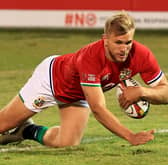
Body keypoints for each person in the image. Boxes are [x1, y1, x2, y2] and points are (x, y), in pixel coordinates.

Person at [0, 11, 168, 148]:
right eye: (118, 42)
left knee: (67, 143)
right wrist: (130, 136)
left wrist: (143, 91)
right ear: (105, 40)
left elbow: (165, 90)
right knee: (2, 126)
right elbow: (98, 109)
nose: (124, 49)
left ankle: (26, 130)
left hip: (80, 94)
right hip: (50, 81)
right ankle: (12, 126)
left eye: (128, 42)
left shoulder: (141, 55)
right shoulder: (91, 58)